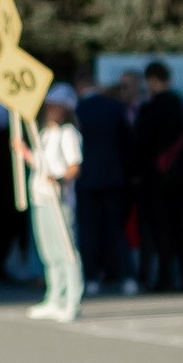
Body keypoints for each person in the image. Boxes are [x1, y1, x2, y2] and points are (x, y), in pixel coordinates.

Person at [131, 61, 183, 293]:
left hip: (155, 177)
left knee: (159, 228)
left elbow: (141, 144)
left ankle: (165, 277)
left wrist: (136, 173)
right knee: (179, 227)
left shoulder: (150, 108)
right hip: (180, 177)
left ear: (151, 80)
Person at [74, 73, 136, 293]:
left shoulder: (78, 110)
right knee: (116, 229)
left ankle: (91, 277)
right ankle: (127, 275)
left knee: (89, 229)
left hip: (86, 179)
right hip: (113, 178)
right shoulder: (115, 108)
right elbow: (127, 144)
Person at [28, 85, 84, 319]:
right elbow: (40, 164)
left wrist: (60, 180)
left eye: (56, 106)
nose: (51, 109)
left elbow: (74, 166)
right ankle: (54, 296)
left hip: (59, 200)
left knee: (66, 251)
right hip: (40, 197)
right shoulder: (44, 133)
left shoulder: (68, 133)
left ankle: (72, 299)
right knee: (49, 252)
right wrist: (23, 152)